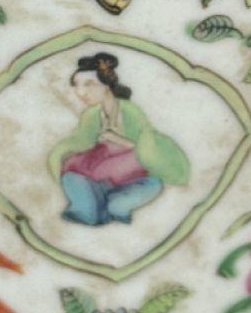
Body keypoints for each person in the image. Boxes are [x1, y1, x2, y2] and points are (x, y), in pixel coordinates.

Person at [47, 53, 190, 226]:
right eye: (76, 85)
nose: (81, 92)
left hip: (132, 172)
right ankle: (91, 210)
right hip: (99, 170)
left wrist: (118, 140)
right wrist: (64, 152)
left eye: (89, 84)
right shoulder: (92, 114)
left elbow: (146, 146)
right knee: (70, 177)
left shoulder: (130, 111)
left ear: (107, 86)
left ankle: (108, 206)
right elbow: (81, 140)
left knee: (139, 192)